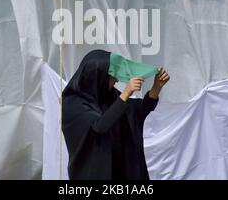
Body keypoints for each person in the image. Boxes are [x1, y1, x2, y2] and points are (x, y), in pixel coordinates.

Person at [62, 50, 170, 180]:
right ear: (98, 76)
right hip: (92, 172)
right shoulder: (72, 104)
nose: (117, 79)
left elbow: (138, 110)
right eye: (112, 76)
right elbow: (99, 126)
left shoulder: (106, 94)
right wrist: (126, 93)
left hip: (118, 169)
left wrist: (156, 88)